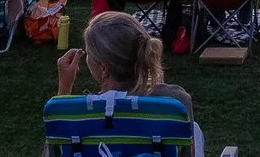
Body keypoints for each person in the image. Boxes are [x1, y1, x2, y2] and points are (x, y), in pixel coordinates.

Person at [59, 9, 196, 127]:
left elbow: (55, 146)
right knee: (195, 130)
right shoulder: (177, 101)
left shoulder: (78, 112)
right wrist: (157, 89)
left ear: (104, 68)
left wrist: (64, 88)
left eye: (88, 54)